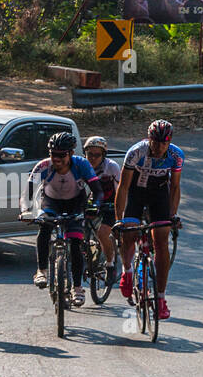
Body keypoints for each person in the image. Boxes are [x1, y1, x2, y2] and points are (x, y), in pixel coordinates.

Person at [26, 131, 104, 307]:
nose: (56, 159)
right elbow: (28, 192)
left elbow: (98, 190)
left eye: (61, 155)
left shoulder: (81, 165)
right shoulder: (43, 166)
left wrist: (94, 206)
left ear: (71, 154)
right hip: (51, 202)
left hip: (76, 203)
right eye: (53, 154)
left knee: (75, 243)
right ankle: (41, 270)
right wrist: (26, 210)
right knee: (44, 227)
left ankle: (77, 288)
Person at [117, 119, 183, 320]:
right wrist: (119, 219)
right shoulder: (136, 152)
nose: (159, 146)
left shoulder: (176, 155)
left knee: (161, 242)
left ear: (169, 142)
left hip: (159, 193)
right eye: (156, 142)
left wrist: (172, 216)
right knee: (129, 234)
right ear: (149, 139)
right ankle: (127, 271)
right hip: (136, 192)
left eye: (164, 142)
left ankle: (161, 299)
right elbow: (123, 188)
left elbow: (174, 187)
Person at [82, 136, 121, 286]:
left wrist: (119, 212)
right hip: (93, 201)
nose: (92, 158)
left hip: (111, 203)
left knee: (103, 233)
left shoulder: (111, 167)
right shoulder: (83, 165)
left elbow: (120, 190)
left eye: (96, 155)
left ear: (103, 155)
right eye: (89, 154)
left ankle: (110, 265)